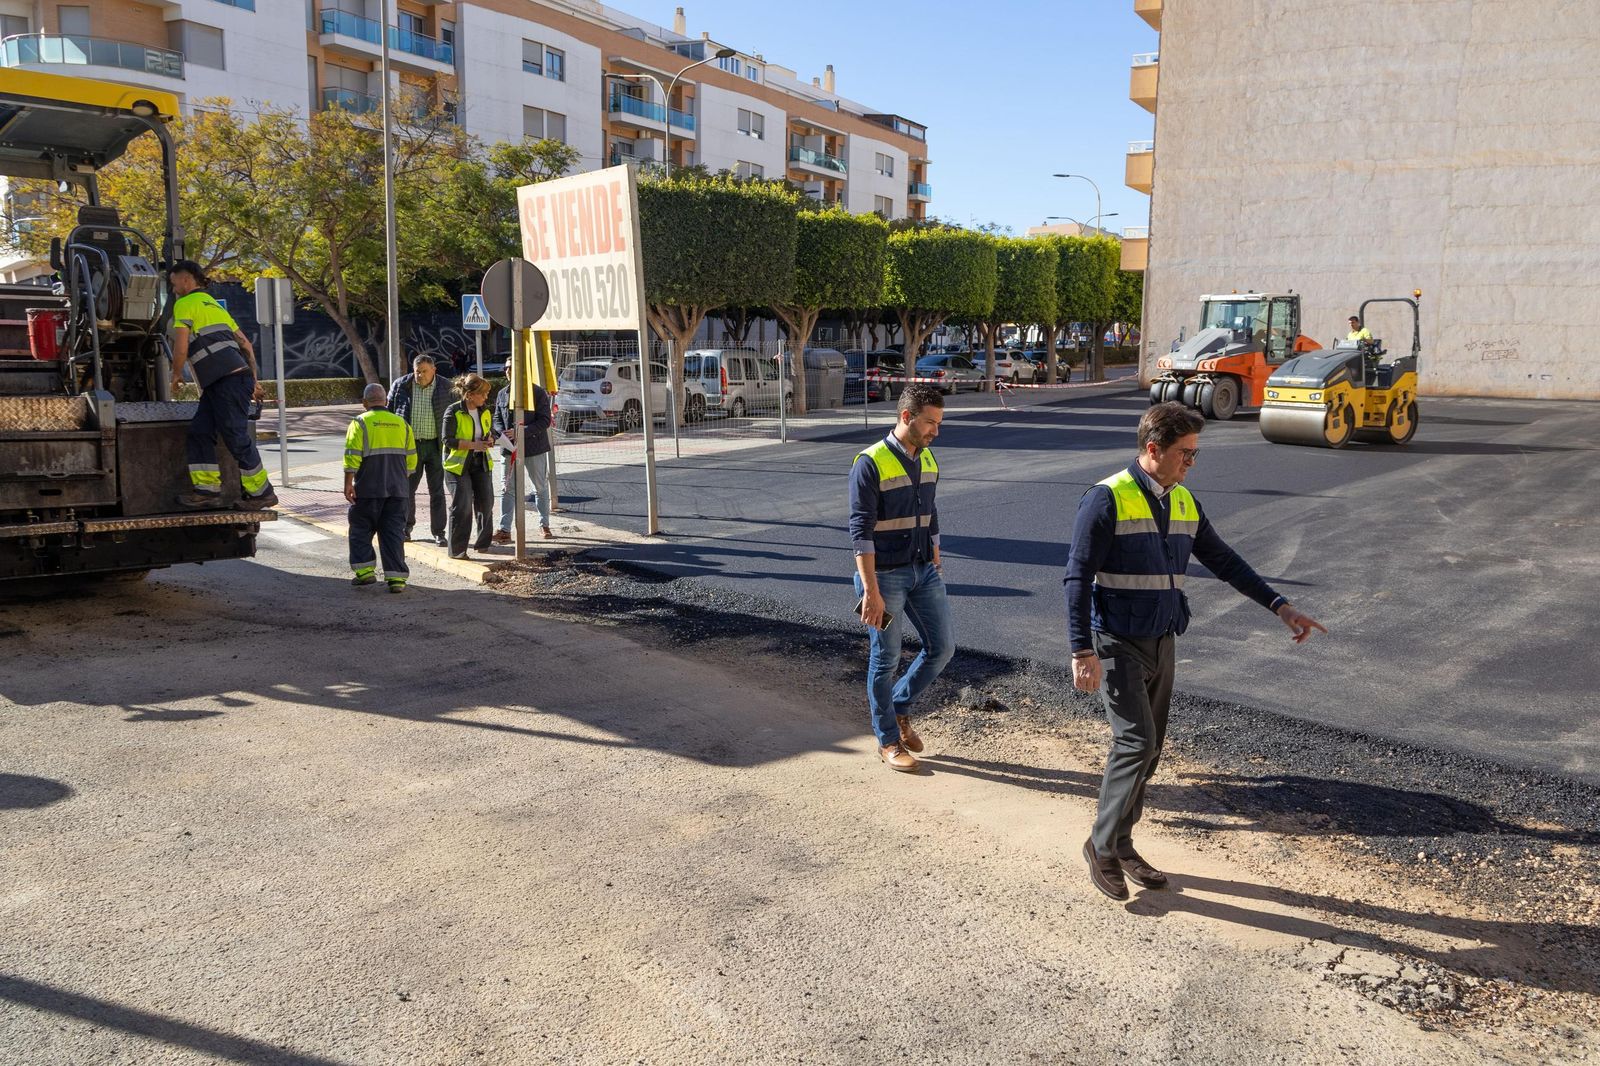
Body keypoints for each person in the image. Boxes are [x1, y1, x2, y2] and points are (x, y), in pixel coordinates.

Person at [1065, 402, 1326, 901]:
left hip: (1163, 638)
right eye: (1184, 453)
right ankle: (1100, 847)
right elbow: (1076, 578)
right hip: (1116, 642)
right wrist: (1082, 650)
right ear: (1153, 449)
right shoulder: (1105, 500)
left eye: (1195, 454)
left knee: (1152, 751)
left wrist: (1280, 606)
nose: (1191, 462)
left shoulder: (1182, 501)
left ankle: (1121, 842)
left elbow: (1224, 560)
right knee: (1134, 743)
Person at [848, 383, 955, 774]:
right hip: (883, 578)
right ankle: (888, 739)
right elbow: (860, 531)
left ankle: (900, 706)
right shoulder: (870, 462)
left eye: (939, 424)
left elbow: (931, 510)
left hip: (923, 570)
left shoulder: (928, 459)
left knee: (942, 648)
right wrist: (870, 591)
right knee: (886, 657)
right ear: (906, 417)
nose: (935, 432)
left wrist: (936, 549)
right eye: (930, 423)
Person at [167, 261, 277, 511]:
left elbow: (181, 346)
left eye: (174, 284)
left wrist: (175, 373)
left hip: (227, 381)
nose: (174, 290)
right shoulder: (213, 305)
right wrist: (255, 382)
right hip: (227, 381)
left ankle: (263, 493)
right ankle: (206, 490)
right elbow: (246, 344)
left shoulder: (184, 304)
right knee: (200, 431)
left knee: (236, 437)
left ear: (186, 281)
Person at [344, 383, 417, 593]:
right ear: (386, 401)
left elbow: (352, 455)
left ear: (364, 403)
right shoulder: (402, 423)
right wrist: (398, 479)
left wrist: (348, 483)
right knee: (393, 533)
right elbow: (412, 460)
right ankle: (396, 580)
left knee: (360, 529)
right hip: (398, 490)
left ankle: (365, 573)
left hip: (367, 489)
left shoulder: (360, 422)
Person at [386, 354, 450, 547]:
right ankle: (406, 528)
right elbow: (390, 412)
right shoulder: (401, 385)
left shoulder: (446, 387)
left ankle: (439, 532)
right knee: (407, 489)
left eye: (424, 371)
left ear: (434, 370)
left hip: (436, 446)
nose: (420, 375)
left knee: (437, 491)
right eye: (417, 372)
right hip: (410, 447)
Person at [490, 378, 554, 543]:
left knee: (539, 487)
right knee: (507, 488)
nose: (509, 371)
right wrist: (501, 433)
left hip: (534, 448)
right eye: (506, 368)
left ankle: (544, 524)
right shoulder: (503, 393)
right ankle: (505, 529)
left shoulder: (537, 392)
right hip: (509, 448)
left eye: (512, 367)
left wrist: (521, 431)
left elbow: (545, 420)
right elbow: (497, 418)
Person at [441, 373, 496, 559]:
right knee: (462, 505)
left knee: (486, 502)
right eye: (483, 394)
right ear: (470, 395)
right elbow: (447, 440)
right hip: (458, 466)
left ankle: (483, 544)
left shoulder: (484, 410)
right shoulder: (453, 411)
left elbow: (491, 432)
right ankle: (457, 550)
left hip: (480, 462)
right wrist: (474, 445)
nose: (486, 397)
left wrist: (490, 439)